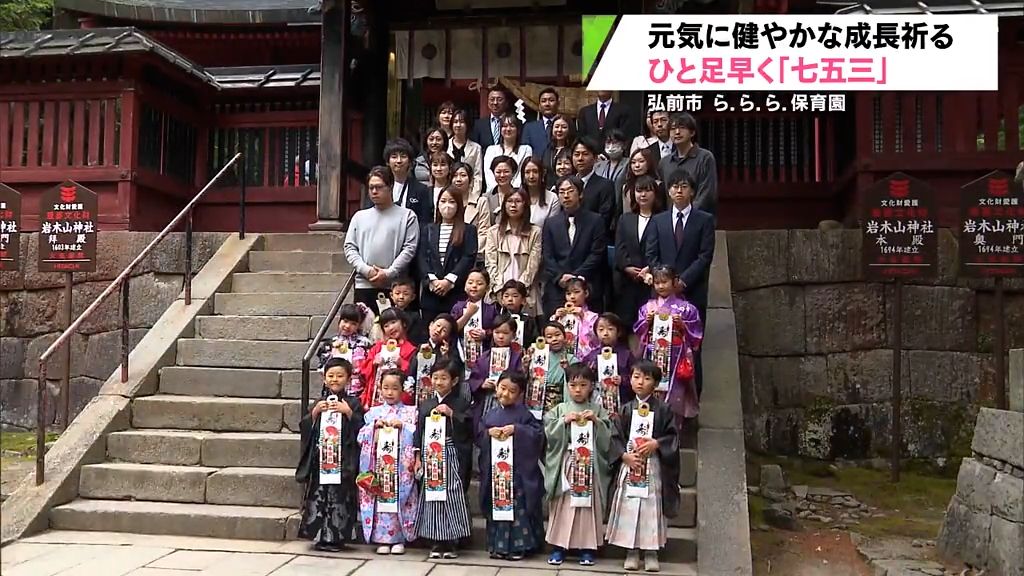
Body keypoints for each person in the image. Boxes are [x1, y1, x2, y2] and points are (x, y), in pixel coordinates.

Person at [604, 360, 680, 572]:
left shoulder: (664, 409)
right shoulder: (626, 409)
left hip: (653, 466)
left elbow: (672, 436)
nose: (641, 382)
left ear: (655, 384)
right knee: (630, 505)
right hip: (631, 464)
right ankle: (631, 551)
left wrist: (658, 443)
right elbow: (615, 437)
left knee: (650, 508)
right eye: (637, 377)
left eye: (647, 378)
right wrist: (623, 455)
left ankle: (651, 552)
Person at [543, 363, 614, 567]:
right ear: (567, 386)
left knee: (587, 507)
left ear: (591, 386)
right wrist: (562, 422)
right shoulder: (559, 410)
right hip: (567, 463)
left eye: (583, 385)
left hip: (589, 465)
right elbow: (549, 433)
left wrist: (598, 423)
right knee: (564, 505)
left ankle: (587, 547)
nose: (578, 390)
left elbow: (608, 438)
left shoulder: (598, 410)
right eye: (573, 385)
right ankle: (559, 546)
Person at [296, 357, 365, 552]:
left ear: (349, 379)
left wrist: (349, 413)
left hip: (343, 461)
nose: (335, 379)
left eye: (340, 376)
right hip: (322, 459)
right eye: (331, 376)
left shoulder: (353, 402)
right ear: (324, 379)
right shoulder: (319, 402)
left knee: (340, 497)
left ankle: (337, 537)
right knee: (320, 496)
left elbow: (362, 429)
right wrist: (315, 413)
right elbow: (305, 427)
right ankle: (319, 536)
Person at [477, 371, 546, 561]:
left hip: (517, 474)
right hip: (496, 472)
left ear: (520, 394)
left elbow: (538, 435)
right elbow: (479, 435)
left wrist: (518, 430)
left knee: (518, 509)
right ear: (496, 387)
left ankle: (519, 546)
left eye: (512, 391)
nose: (505, 394)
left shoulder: (525, 414)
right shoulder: (490, 414)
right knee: (498, 506)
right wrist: (489, 433)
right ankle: (497, 546)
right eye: (502, 388)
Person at [413, 358, 473, 558]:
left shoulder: (461, 403)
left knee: (451, 495)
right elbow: (419, 431)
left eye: (444, 378)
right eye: (435, 378)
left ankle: (452, 540)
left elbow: (468, 428)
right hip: (430, 454)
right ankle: (436, 541)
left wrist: (452, 414)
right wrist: (418, 457)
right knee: (432, 496)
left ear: (454, 381)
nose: (439, 382)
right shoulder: (426, 404)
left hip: (450, 452)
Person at [357, 369, 420, 555]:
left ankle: (400, 538)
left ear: (403, 390)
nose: (390, 392)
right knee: (381, 499)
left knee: (401, 498)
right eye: (386, 388)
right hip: (380, 465)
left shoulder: (410, 412)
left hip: (400, 467)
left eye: (395, 388)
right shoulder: (373, 413)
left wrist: (404, 427)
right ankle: (381, 538)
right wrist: (373, 428)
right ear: (379, 388)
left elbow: (416, 435)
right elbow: (361, 437)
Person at [634, 266, 703, 431]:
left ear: (674, 282)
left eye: (664, 282)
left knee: (676, 396)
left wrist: (682, 325)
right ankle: (649, 430)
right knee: (651, 390)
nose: (660, 286)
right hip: (653, 355)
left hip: (676, 356)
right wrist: (647, 322)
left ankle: (673, 433)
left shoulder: (686, 309)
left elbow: (696, 335)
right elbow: (639, 332)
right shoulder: (648, 308)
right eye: (657, 283)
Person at [643, 169, 715, 328]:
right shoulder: (657, 220)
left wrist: (683, 280)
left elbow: (705, 255)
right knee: (660, 342)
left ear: (692, 191)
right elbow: (651, 254)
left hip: (693, 289)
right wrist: (664, 279)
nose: (679, 191)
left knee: (692, 342)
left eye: (684, 186)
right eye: (675, 187)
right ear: (669, 191)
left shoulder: (705, 220)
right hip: (662, 290)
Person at [345, 166, 420, 310]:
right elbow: (350, 247)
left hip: (395, 288)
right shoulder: (359, 217)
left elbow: (409, 248)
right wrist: (366, 270)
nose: (374, 191)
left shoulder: (407, 216)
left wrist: (389, 272)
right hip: (364, 283)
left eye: (379, 187)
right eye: (371, 187)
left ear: (390, 187)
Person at [540, 175, 607, 317]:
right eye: (562, 192)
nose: (566, 195)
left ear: (580, 193)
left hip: (586, 286)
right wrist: (560, 277)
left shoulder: (596, 220)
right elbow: (547, 255)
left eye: (570, 191)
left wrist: (576, 277)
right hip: (559, 287)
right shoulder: (551, 223)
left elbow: (597, 253)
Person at [417, 187, 478, 325]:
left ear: (459, 205)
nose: (447, 206)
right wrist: (432, 281)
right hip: (431, 294)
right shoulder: (427, 229)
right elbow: (421, 257)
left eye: (452, 201)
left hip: (455, 293)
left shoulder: (469, 230)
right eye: (443, 201)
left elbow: (468, 257)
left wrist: (449, 281)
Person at [485, 188, 542, 315]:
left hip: (525, 292)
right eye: (509, 201)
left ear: (525, 205)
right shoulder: (493, 232)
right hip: (498, 291)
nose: (513, 205)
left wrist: (519, 292)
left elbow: (533, 264)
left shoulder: (535, 232)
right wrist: (501, 291)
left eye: (518, 201)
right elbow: (490, 263)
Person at [615, 175, 662, 325]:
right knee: (626, 323)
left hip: (652, 280)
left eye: (647, 191)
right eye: (639, 191)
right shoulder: (625, 219)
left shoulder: (662, 220)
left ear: (655, 194)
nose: (643, 195)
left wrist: (649, 268)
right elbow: (620, 247)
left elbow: (663, 248)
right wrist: (627, 267)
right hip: (627, 280)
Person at [468, 314, 524, 433]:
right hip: (488, 399)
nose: (500, 336)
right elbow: (473, 379)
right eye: (497, 332)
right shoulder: (484, 357)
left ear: (513, 335)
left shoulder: (518, 357)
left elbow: (521, 380)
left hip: (509, 400)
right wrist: (482, 384)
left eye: (505, 333)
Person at [657, 113, 717, 218]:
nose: (677, 132)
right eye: (673, 129)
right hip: (670, 222)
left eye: (682, 128)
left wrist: (687, 215)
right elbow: (662, 195)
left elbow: (707, 193)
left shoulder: (705, 158)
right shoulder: (664, 163)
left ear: (692, 132)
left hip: (698, 220)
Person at [364, 139, 432, 224]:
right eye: (394, 157)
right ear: (387, 161)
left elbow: (424, 222)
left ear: (410, 161)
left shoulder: (421, 190)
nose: (399, 161)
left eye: (403, 156)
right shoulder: (378, 186)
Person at [360, 308, 418, 408]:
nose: (390, 328)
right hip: (377, 395)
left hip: (401, 398)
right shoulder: (377, 347)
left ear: (403, 323)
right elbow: (363, 372)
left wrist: (402, 363)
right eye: (386, 326)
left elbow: (415, 375)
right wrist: (373, 363)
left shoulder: (412, 350)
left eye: (393, 322)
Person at [316, 303, 376, 398]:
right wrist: (332, 351)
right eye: (345, 321)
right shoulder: (330, 344)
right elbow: (322, 368)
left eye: (353, 324)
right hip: (333, 388)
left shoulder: (365, 344)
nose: (347, 326)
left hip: (357, 389)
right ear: (339, 320)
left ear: (359, 325)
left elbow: (369, 368)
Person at [581, 313, 637, 409]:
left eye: (610, 329)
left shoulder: (626, 354)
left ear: (618, 332)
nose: (605, 333)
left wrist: (623, 380)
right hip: (597, 402)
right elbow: (584, 379)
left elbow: (636, 376)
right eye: (601, 329)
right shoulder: (591, 356)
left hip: (623, 401)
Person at [525, 321, 578, 415]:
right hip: (538, 400)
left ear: (565, 337)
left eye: (557, 335)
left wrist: (567, 369)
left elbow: (577, 383)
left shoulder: (572, 360)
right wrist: (526, 365)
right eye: (549, 337)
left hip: (560, 403)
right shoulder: (537, 357)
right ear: (544, 339)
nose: (554, 339)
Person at [452, 269, 498, 369]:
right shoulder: (458, 307)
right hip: (460, 354)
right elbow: (452, 329)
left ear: (487, 288)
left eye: (479, 283)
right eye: (470, 282)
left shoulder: (491, 309)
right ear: (465, 286)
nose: (474, 286)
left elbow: (497, 330)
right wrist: (468, 314)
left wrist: (486, 334)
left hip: (484, 355)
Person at [571, 137, 616, 232]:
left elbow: (604, 219)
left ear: (595, 158)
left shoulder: (605, 185)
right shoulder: (567, 184)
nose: (580, 158)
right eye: (576, 154)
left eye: (585, 154)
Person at [451, 161, 492, 263]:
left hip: (473, 257)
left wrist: (468, 255)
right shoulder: (446, 201)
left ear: (470, 180)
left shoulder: (480, 201)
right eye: (455, 176)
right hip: (450, 256)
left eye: (463, 175)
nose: (459, 179)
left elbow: (484, 232)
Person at [550, 277, 599, 360]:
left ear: (586, 293)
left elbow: (595, 339)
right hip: (563, 358)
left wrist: (583, 317)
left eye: (576, 292)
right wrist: (556, 318)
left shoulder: (592, 316)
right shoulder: (561, 315)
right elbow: (550, 335)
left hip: (584, 359)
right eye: (568, 293)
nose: (572, 297)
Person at [483, 115, 533, 193]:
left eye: (512, 126)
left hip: (518, 194)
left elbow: (522, 174)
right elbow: (489, 175)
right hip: (494, 194)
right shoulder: (491, 150)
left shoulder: (526, 149)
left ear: (518, 129)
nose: (508, 129)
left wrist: (512, 192)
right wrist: (499, 191)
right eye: (505, 126)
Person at [449, 110, 485, 197]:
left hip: (469, 194)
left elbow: (478, 175)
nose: (458, 125)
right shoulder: (445, 145)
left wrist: (474, 197)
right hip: (448, 194)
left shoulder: (476, 148)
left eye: (461, 122)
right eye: (455, 122)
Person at [495, 280, 539, 351]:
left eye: (515, 296)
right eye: (506, 296)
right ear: (502, 300)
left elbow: (535, 341)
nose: (510, 299)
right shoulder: (497, 319)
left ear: (523, 300)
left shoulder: (528, 321)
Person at [522, 156, 561, 230]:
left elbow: (551, 228)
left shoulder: (552, 198)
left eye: (535, 172)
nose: (531, 176)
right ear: (523, 176)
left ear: (542, 174)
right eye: (527, 172)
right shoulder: (517, 197)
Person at [523, 87, 560, 155]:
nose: (547, 104)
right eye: (543, 101)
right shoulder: (529, 128)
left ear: (558, 104)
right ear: (539, 106)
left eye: (551, 100)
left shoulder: (564, 126)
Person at [388, 277, 425, 345]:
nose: (401, 296)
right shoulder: (387, 314)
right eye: (397, 293)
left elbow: (416, 338)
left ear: (413, 297)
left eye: (406, 294)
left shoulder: (415, 316)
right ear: (391, 295)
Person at [541, 115, 575, 187]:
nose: (559, 130)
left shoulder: (574, 150)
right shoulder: (547, 150)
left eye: (564, 127)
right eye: (556, 127)